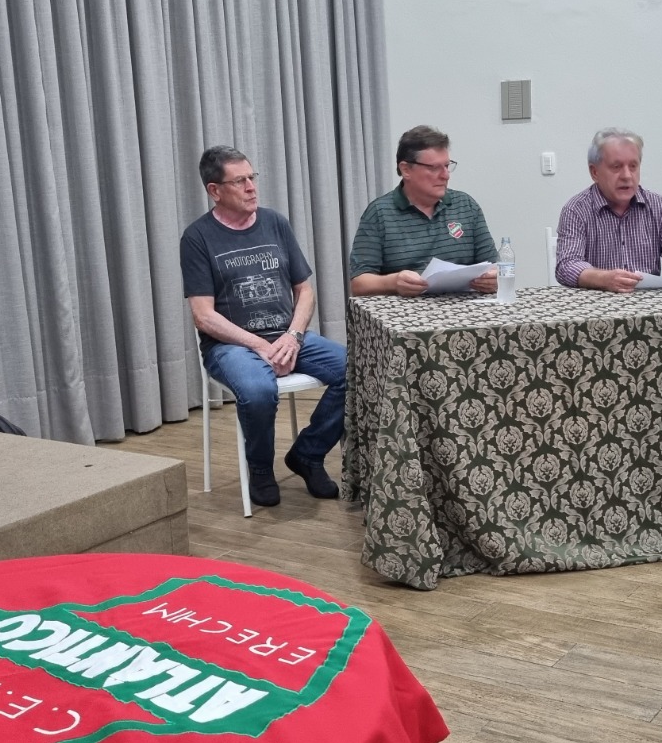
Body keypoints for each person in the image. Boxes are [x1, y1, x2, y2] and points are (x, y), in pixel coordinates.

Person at [180, 146, 346, 508]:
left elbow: (304, 291)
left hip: (288, 336)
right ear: (214, 190)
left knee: (359, 370)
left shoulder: (275, 223)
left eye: (252, 177)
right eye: (239, 181)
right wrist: (259, 345)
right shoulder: (197, 238)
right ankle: (259, 470)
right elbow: (203, 316)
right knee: (257, 390)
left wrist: (293, 336)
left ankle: (308, 454)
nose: (251, 187)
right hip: (231, 346)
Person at [554, 128, 662, 292]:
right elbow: (567, 266)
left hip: (649, 307)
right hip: (597, 307)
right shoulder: (576, 210)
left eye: (633, 166)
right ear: (594, 172)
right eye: (616, 167)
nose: (626, 176)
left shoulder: (659, 206)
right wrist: (603, 279)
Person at [349, 125, 498, 296]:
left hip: (465, 309)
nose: (445, 175)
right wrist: (393, 282)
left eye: (447, 166)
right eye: (434, 168)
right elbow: (359, 284)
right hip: (404, 311)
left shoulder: (466, 206)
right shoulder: (379, 213)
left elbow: (494, 266)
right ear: (406, 170)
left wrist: (494, 279)